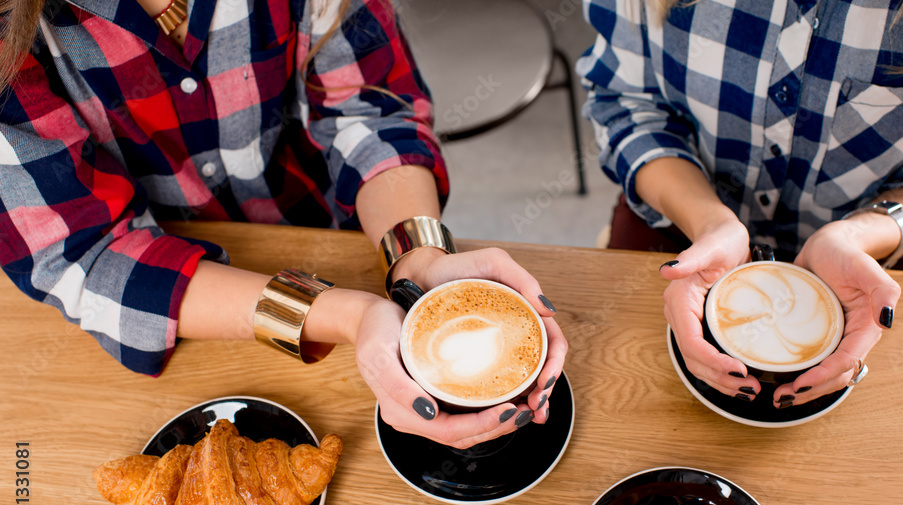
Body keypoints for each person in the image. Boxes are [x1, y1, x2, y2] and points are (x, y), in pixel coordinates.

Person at [0, 0, 567, 448]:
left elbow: (369, 109)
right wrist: (347, 313)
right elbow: (82, 255)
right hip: (166, 327)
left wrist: (418, 262)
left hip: (335, 236)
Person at [578, 0, 903, 407]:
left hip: (877, 260)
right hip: (680, 225)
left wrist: (858, 235)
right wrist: (707, 223)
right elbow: (627, 102)